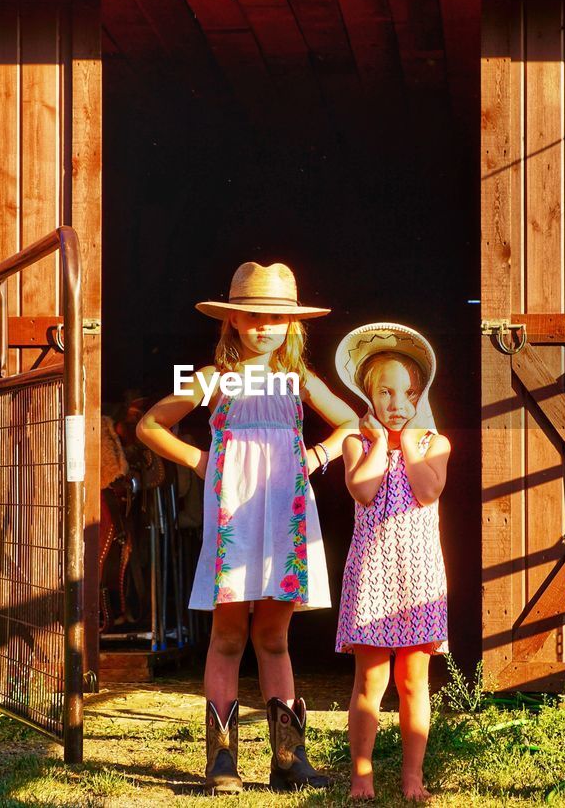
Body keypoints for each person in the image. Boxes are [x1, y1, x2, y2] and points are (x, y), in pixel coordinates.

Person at [136, 261, 357, 795]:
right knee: (229, 634)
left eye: (275, 317)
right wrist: (199, 461)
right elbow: (149, 425)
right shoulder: (210, 379)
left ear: (291, 325)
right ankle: (222, 763)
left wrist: (318, 455)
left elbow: (352, 422)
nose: (263, 325)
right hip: (234, 517)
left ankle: (287, 758)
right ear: (232, 320)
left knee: (275, 638)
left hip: (285, 513)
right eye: (252, 315)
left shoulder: (299, 380)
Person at [335, 323, 451, 802]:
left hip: (419, 578)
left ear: (419, 394)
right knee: (371, 679)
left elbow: (427, 491)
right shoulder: (356, 445)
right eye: (385, 392)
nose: (396, 402)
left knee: (412, 681)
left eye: (406, 392)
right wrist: (381, 442)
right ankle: (362, 775)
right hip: (373, 577)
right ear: (369, 394)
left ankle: (412, 777)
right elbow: (362, 489)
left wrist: (407, 443)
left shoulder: (434, 444)